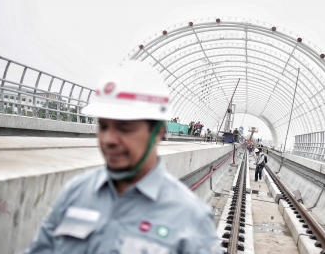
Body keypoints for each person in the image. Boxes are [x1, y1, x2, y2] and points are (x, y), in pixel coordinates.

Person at [23, 61, 220, 254]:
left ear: (158, 132)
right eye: (103, 126)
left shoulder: (191, 217)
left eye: (124, 128)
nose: (108, 139)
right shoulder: (75, 193)